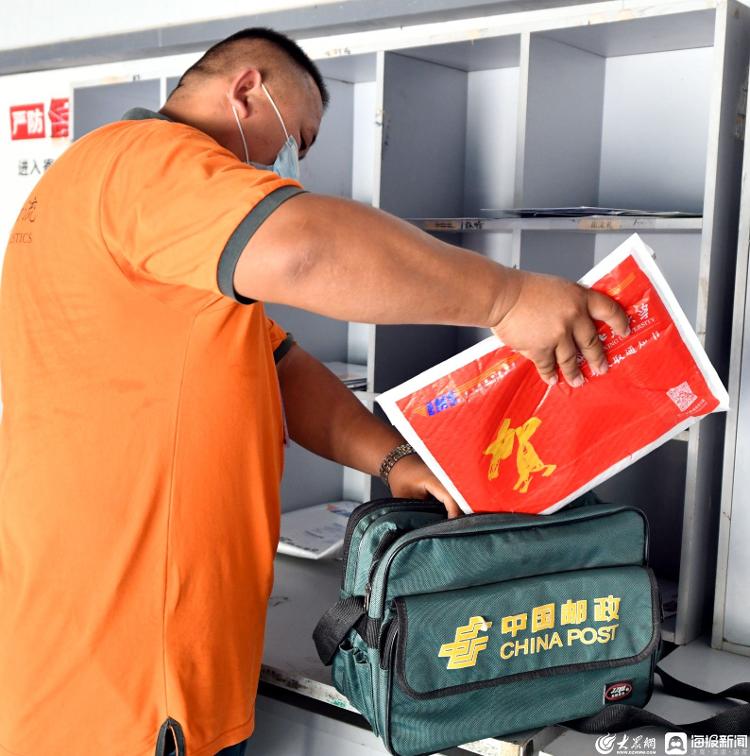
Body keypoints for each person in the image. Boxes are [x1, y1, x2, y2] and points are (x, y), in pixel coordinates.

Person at [0, 27, 628, 756]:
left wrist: (393, 462)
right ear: (246, 90)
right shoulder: (151, 161)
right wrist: (507, 298)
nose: (285, 164)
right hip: (133, 676)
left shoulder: (120, 203)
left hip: (104, 641)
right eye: (294, 138)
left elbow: (279, 368)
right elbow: (302, 249)